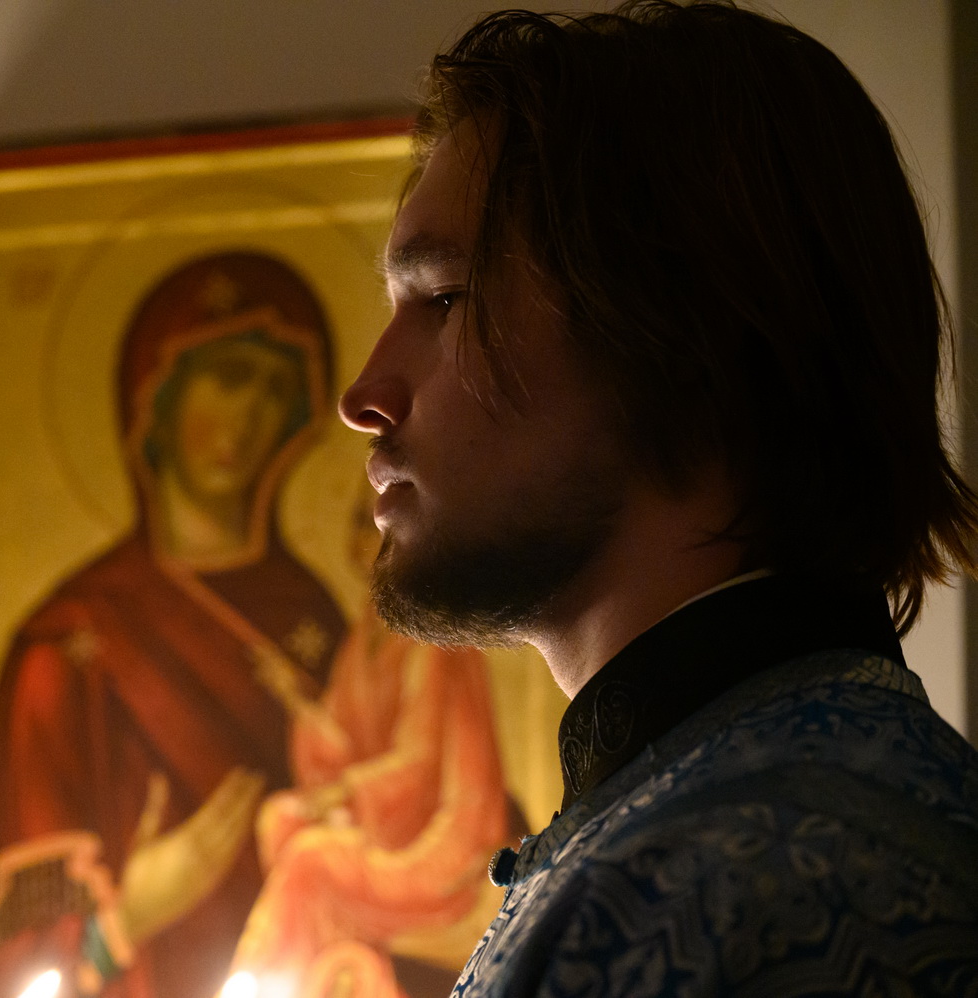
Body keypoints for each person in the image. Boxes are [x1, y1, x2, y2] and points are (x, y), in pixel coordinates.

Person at [337, 2, 978, 995]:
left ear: (680, 333)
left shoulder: (719, 890)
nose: (363, 397)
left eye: (445, 300)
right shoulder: (747, 819)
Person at [0, 252, 347, 998]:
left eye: (275, 390)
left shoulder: (315, 619)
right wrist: (132, 913)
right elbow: (15, 951)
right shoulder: (68, 641)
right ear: (157, 393)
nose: (248, 416)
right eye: (229, 378)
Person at [229, 492, 527, 998]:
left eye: (379, 527)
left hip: (437, 841)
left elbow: (418, 765)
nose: (368, 538)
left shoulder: (432, 638)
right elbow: (341, 747)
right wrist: (295, 698)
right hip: (384, 822)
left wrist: (344, 794)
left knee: (310, 858)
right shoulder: (366, 634)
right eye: (360, 524)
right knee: (279, 820)